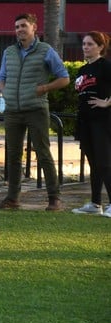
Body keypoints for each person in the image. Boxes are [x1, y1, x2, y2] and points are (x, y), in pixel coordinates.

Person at [0, 13, 70, 212]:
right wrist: (6, 92)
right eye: (17, 26)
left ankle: (54, 198)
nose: (19, 29)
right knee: (12, 155)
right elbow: (1, 77)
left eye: (23, 26)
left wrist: (45, 88)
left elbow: (64, 78)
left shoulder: (46, 50)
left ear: (34, 28)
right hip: (13, 111)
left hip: (36, 109)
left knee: (43, 153)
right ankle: (12, 198)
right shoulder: (9, 51)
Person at [72, 31, 111, 217]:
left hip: (102, 122)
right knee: (94, 163)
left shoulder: (106, 66)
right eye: (84, 44)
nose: (86, 47)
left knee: (105, 162)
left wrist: (107, 102)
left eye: (90, 44)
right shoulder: (82, 70)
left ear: (100, 47)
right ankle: (96, 204)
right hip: (85, 122)